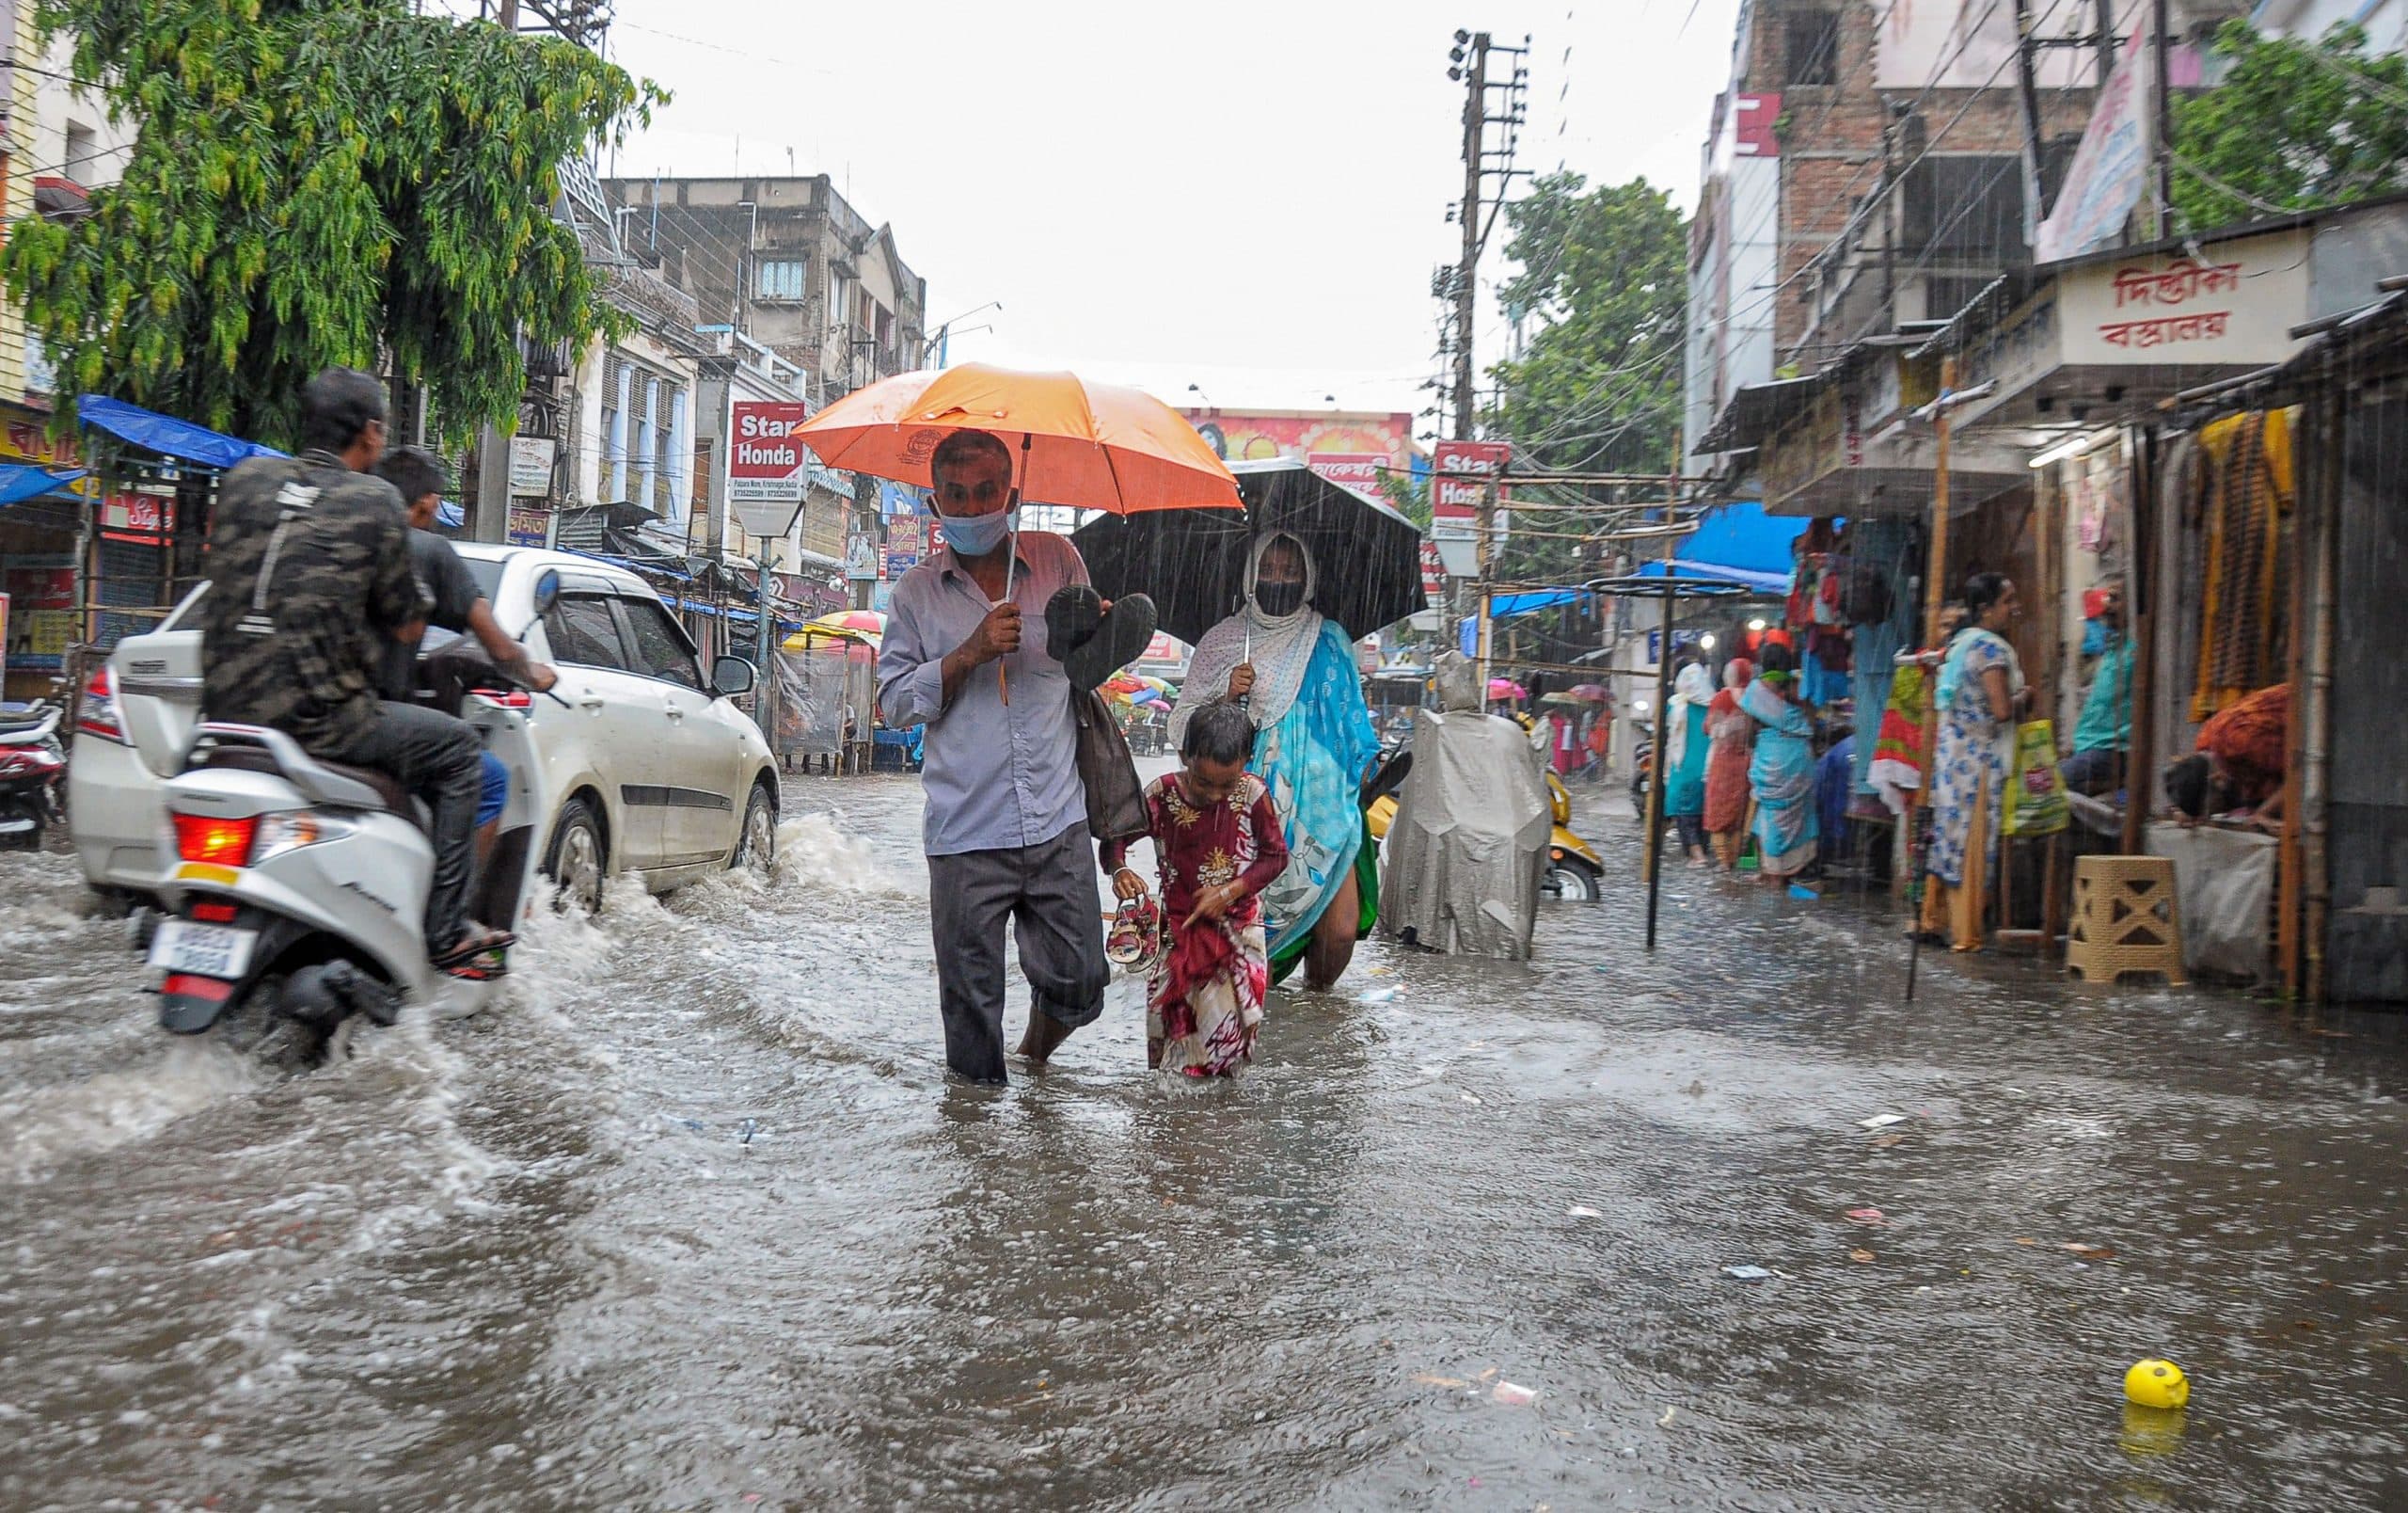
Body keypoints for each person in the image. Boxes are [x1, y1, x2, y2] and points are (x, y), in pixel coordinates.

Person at [198, 368, 501, 967]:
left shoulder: (244, 479)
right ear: (369, 433)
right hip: (322, 720)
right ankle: (447, 935)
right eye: (381, 429)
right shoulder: (374, 500)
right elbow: (406, 624)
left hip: (223, 716)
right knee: (464, 755)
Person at [878, 428, 1108, 1085]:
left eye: (986, 493)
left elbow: (1088, 672)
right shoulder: (915, 594)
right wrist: (968, 654)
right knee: (971, 1016)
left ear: (1010, 495)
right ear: (935, 501)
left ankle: (1033, 1054)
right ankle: (977, 1146)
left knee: (1082, 977)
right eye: (957, 495)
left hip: (1057, 818)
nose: (973, 508)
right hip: (964, 830)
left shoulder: (1060, 560)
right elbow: (893, 703)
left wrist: (1102, 634)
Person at [1169, 532, 1380, 991]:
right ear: (1249, 576)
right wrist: (1226, 694)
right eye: (1268, 569)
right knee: (1237, 936)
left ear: (1307, 578)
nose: (1278, 579)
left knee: (1339, 931)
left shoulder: (1328, 638)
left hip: (1324, 810)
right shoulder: (1224, 641)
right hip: (1245, 807)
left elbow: (1353, 723)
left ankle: (1316, 1008)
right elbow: (1181, 725)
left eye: (1290, 571)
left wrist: (1365, 772)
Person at [371, 446, 559, 862]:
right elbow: (497, 645)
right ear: (430, 501)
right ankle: (453, 919)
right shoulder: (430, 551)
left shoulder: (339, 534)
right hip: (368, 720)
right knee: (485, 777)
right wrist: (534, 674)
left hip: (291, 713)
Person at [1102, 700, 1290, 1076]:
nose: (1216, 795)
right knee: (1170, 1042)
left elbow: (1276, 857)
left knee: (1226, 1045)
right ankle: (1174, 1126)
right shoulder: (1161, 795)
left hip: (1236, 933)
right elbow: (1115, 840)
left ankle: (1217, 1125)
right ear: (1186, 756)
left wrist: (1229, 892)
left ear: (1246, 761)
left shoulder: (1252, 795)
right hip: (1175, 932)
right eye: (1204, 783)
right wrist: (1119, 869)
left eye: (1227, 784)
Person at [1922, 573, 2025, 950]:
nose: (2015, 607)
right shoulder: (1990, 651)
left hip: (1951, 759)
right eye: (2008, 600)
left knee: (1949, 839)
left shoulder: (1958, 646)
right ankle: (1966, 932)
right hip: (1979, 760)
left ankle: (1934, 918)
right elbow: (2000, 710)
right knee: (1973, 844)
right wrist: (2023, 697)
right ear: (1986, 609)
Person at [2165, 681, 2291, 831]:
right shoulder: (2206, 746)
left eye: (2210, 809)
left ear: (2217, 780)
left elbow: (2301, 774)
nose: (2213, 813)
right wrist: (2182, 809)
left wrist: (2263, 813)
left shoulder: (2241, 742)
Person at [1742, 643, 1818, 882]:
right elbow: (1812, 722)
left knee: (1769, 813)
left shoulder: (1755, 691)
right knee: (1798, 812)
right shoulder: (1799, 685)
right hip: (1798, 758)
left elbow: (1748, 731)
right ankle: (1793, 872)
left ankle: (1772, 871)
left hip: (1769, 756)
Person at [2060, 576, 2131, 797]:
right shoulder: (2113, 649)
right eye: (2108, 598)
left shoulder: (2133, 652)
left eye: (2115, 599)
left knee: (2050, 784)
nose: (2107, 606)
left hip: (2111, 750)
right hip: (2093, 746)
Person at [1702, 657, 1754, 868]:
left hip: (1722, 763)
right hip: (1745, 762)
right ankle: (1737, 859)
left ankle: (1725, 862)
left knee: (1718, 816)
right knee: (1737, 816)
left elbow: (1708, 728)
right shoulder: (1754, 697)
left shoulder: (1721, 697)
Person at [1662, 661, 1715, 867]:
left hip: (1683, 769)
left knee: (1684, 813)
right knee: (1703, 812)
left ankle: (1697, 855)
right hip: (1708, 770)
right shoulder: (1714, 705)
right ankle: (1703, 852)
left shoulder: (1675, 705)